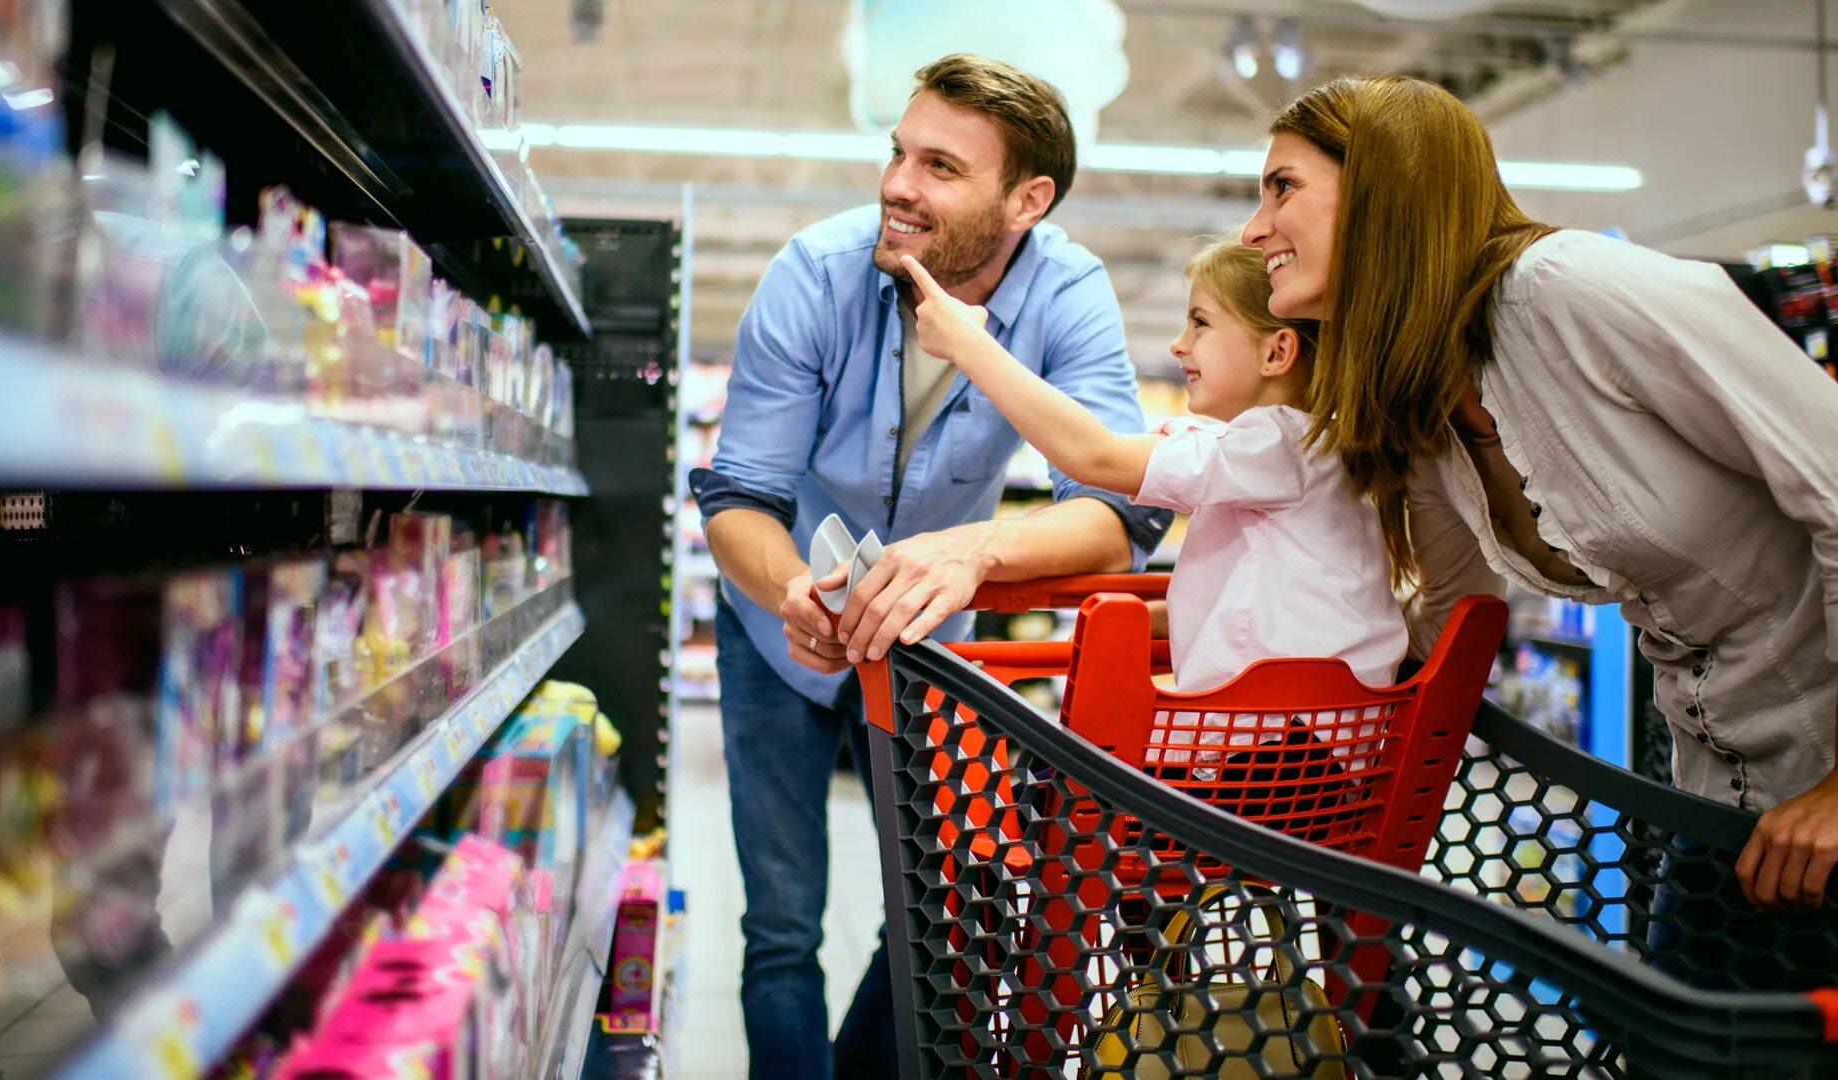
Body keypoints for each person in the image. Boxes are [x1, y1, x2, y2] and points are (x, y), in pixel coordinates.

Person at [1239, 76, 1838, 917]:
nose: (1253, 228)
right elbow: (1452, 614)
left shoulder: (1570, 289)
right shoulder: (1429, 400)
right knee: (1669, 1046)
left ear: (1386, 190)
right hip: (1718, 803)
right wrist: (1254, 687)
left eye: (1282, 188)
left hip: (1824, 793)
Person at [688, 53, 1172, 1079]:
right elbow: (741, 497)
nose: (898, 184)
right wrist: (785, 587)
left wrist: (976, 547)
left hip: (925, 647)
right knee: (781, 927)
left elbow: (1121, 515)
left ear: (1026, 200)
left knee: (934, 919)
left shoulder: (1067, 296)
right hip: (774, 630)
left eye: (941, 166)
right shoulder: (815, 275)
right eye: (898, 152)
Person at [899, 239, 1405, 700]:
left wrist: (970, 348)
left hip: (1276, 749)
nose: (1178, 344)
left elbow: (1093, 456)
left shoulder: (1280, 443)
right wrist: (1154, 619)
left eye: (1200, 323)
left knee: (1066, 777)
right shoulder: (1296, 449)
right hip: (1307, 741)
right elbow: (1260, 599)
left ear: (1277, 352)